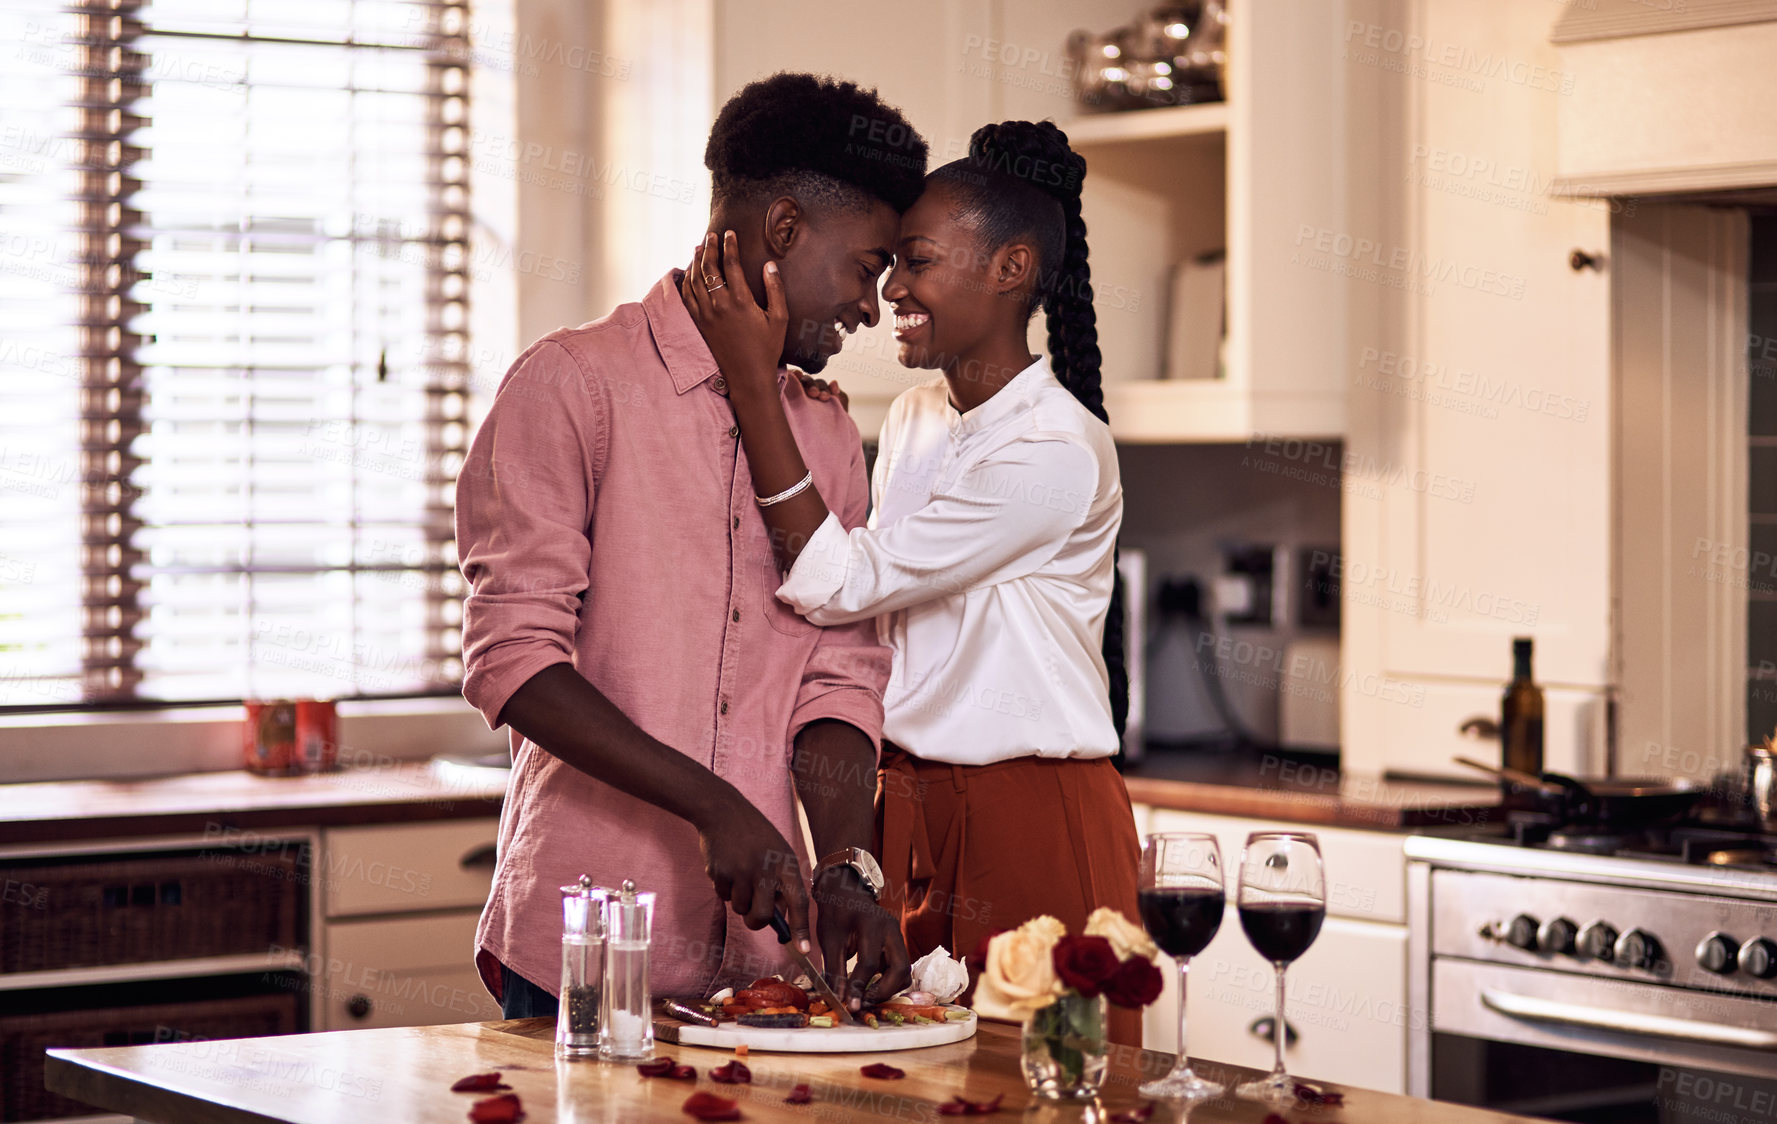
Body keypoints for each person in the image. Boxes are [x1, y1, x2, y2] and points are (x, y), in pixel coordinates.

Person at [454, 72, 929, 1017]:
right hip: (581, 949)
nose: (871, 307)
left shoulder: (826, 432)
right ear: (785, 229)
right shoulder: (571, 385)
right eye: (866, 267)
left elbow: (839, 673)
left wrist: (842, 863)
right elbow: (513, 660)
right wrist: (714, 807)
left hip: (762, 963)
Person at [683, 120, 1143, 1041]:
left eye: (919, 261)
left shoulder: (1053, 449)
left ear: (1009, 268)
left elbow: (833, 584)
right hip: (906, 813)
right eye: (890, 261)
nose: (890, 287)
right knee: (913, 1086)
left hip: (1028, 814)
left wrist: (747, 378)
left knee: (1044, 1086)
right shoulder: (920, 416)